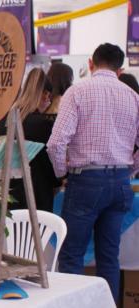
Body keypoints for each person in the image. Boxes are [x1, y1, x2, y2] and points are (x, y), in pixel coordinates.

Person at [47, 43, 139, 301]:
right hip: (120, 182)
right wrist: (130, 169)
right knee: (110, 255)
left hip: (85, 180)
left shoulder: (77, 92)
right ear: (120, 70)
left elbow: (56, 143)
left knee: (72, 254)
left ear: (90, 63)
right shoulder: (133, 96)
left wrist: (61, 171)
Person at [0, 68, 58, 212]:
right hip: (35, 192)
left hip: (8, 190)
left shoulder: (5, 119)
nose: (48, 102)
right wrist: (60, 178)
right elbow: (47, 162)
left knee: (12, 233)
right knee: (35, 233)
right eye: (48, 98)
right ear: (45, 95)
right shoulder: (42, 123)